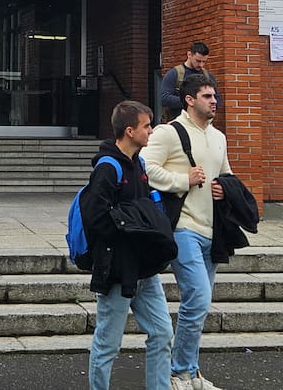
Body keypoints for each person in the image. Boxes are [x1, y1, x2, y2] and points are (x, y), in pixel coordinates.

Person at [146, 73, 230, 390]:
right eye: (207, 96)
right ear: (190, 100)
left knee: (200, 304)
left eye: (215, 96)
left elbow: (226, 174)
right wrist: (183, 180)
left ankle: (191, 373)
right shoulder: (169, 132)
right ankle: (178, 372)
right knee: (198, 297)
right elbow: (145, 167)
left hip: (212, 230)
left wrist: (226, 188)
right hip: (182, 226)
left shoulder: (218, 137)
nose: (214, 101)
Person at [84, 100, 174, 390]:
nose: (151, 131)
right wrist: (129, 233)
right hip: (117, 267)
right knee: (108, 343)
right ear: (130, 131)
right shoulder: (107, 168)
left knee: (162, 333)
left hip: (144, 267)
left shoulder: (139, 164)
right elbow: (94, 217)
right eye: (147, 126)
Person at [159, 42, 215, 119]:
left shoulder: (208, 76)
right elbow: (165, 98)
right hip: (178, 120)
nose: (201, 65)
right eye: (198, 61)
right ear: (189, 55)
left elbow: (216, 98)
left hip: (202, 121)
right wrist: (192, 102)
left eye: (204, 61)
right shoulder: (174, 74)